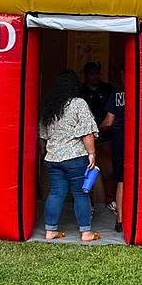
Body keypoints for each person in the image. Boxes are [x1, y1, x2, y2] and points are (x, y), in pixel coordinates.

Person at [38, 70, 101, 242]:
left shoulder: (50, 105)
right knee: (81, 194)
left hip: (53, 158)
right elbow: (86, 133)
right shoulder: (78, 103)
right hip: (75, 157)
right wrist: (92, 153)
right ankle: (86, 233)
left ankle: (50, 231)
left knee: (56, 193)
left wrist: (45, 153)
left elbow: (42, 135)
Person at [80, 61, 116, 203]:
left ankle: (110, 198)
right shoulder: (81, 91)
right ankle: (91, 201)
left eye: (97, 73)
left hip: (105, 135)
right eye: (91, 74)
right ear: (86, 75)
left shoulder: (108, 89)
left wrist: (102, 128)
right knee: (88, 172)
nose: (95, 77)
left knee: (109, 171)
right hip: (86, 138)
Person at [101, 68, 126, 232]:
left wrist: (96, 129)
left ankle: (120, 220)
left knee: (122, 180)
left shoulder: (117, 94)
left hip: (120, 140)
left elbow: (109, 122)